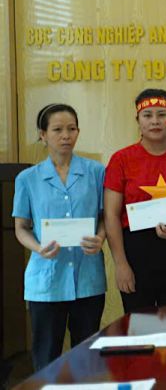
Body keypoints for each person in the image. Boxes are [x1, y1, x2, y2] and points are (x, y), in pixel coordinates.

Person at [13, 104, 106, 370]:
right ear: (42, 135)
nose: (66, 135)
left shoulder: (96, 172)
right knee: (46, 357)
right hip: (45, 279)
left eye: (71, 129)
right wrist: (38, 247)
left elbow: (104, 218)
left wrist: (100, 239)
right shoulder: (27, 179)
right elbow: (21, 227)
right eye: (57, 130)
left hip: (87, 277)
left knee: (87, 356)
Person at [104, 89, 166, 313]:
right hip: (135, 250)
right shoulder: (121, 159)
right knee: (139, 322)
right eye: (147, 115)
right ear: (138, 120)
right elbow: (111, 215)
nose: (155, 121)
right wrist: (120, 264)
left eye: (161, 114)